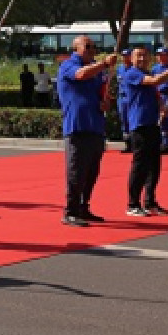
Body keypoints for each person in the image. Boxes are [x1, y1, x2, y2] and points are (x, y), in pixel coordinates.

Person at [57, 35, 117, 227]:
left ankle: (84, 206)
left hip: (95, 125)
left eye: (94, 47)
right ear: (75, 49)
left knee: (92, 171)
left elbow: (102, 93)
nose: (91, 50)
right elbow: (81, 75)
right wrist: (103, 64)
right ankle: (70, 210)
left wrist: (106, 103)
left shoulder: (97, 71)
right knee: (76, 171)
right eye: (87, 46)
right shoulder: (68, 65)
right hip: (77, 126)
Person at [122, 47, 168, 217]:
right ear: (132, 59)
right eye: (138, 56)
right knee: (140, 165)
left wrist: (162, 106)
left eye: (144, 55)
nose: (142, 58)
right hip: (140, 124)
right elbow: (155, 81)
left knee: (154, 166)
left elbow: (155, 92)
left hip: (152, 123)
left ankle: (150, 201)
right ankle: (132, 203)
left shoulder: (146, 73)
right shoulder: (132, 73)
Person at [117, 49, 134, 154]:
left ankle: (134, 143)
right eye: (123, 56)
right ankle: (127, 144)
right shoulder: (120, 69)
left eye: (127, 56)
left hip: (131, 98)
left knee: (132, 121)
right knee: (124, 121)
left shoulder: (134, 69)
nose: (125, 58)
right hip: (122, 98)